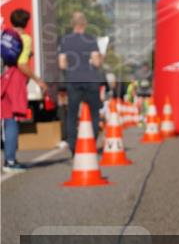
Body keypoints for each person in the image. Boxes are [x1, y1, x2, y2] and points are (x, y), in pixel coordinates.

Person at [2, 9, 48, 173]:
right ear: (26, 23)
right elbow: (21, 64)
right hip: (15, 80)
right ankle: (10, 161)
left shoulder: (5, 35)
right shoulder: (25, 38)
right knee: (13, 120)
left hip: (4, 77)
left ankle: (9, 159)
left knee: (7, 118)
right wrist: (38, 80)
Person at [58, 12, 104, 155]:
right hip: (90, 80)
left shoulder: (65, 40)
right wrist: (100, 59)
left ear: (72, 24)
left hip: (73, 80)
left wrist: (70, 70)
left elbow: (62, 64)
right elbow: (96, 62)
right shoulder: (90, 39)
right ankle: (91, 143)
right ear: (85, 24)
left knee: (72, 114)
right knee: (94, 113)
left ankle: (73, 146)